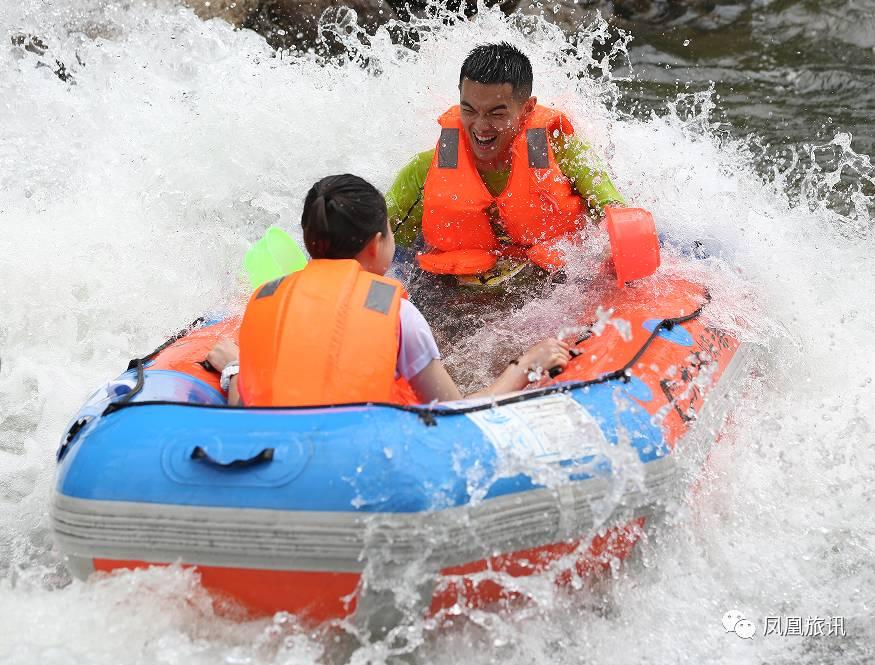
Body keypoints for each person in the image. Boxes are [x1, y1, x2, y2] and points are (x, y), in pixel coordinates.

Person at [207, 174, 572, 406]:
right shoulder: (393, 310)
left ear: (308, 240)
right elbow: (455, 411)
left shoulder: (264, 298)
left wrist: (234, 369)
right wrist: (525, 365)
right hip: (359, 470)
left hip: (269, 462)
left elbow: (247, 407)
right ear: (375, 245)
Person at [386, 41, 626, 286]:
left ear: (527, 108)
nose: (480, 126)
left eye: (496, 114)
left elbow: (611, 207)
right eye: (469, 110)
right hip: (456, 295)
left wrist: (613, 247)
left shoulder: (560, 149)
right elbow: (375, 240)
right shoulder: (425, 170)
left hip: (552, 285)